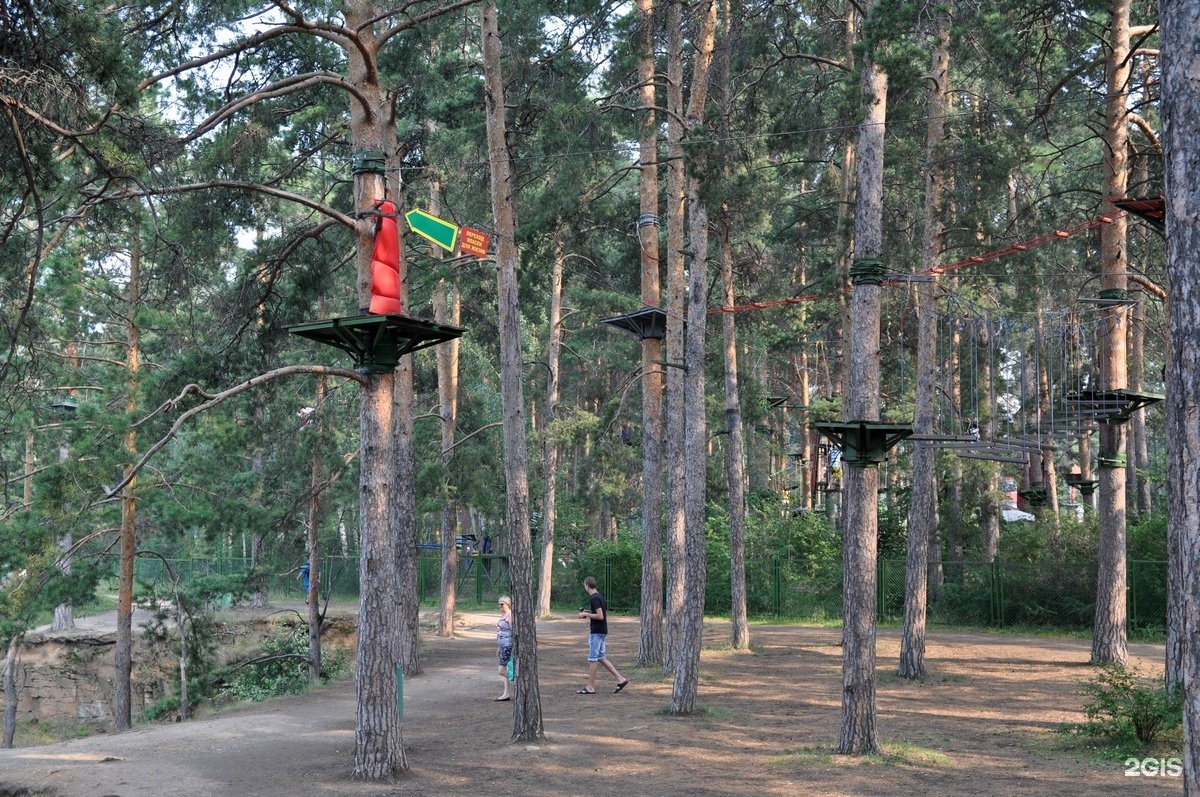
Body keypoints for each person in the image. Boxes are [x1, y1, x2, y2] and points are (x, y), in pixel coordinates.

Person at [576, 576, 629, 695]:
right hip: (601, 631)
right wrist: (587, 613)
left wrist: (586, 614)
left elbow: (600, 616)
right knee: (601, 657)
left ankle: (590, 687)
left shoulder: (594, 598)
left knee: (593, 659)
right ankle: (621, 679)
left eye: (584, 585)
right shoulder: (599, 596)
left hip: (597, 632)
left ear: (587, 586)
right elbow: (598, 613)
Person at [495, 595, 514, 701]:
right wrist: (499, 647)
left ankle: (515, 678)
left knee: (501, 670)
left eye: (502, 604)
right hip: (502, 645)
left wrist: (513, 646)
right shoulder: (502, 615)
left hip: (507, 645)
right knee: (504, 670)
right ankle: (506, 693)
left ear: (507, 604)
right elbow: (500, 633)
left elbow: (513, 631)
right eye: (498, 604)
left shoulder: (509, 615)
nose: (500, 606)